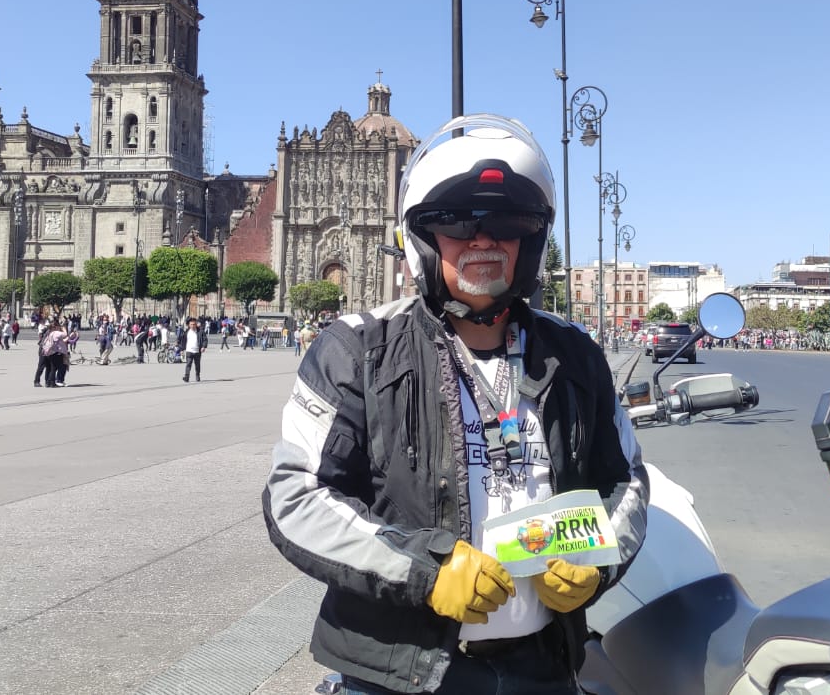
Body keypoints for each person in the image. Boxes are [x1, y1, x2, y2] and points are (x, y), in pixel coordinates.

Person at [263, 115, 648, 695]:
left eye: (508, 223)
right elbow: (296, 499)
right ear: (421, 239)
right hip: (398, 672)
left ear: (532, 240)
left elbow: (628, 483)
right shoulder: (357, 348)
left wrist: (601, 561)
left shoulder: (575, 356)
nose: (484, 240)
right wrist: (424, 569)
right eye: (456, 222)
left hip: (542, 668)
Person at [181, 317, 203, 382]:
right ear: (189, 325)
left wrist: (203, 347)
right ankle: (186, 377)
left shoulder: (200, 332)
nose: (193, 326)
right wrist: (182, 349)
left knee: (197, 365)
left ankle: (197, 376)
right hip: (189, 351)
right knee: (188, 364)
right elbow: (183, 341)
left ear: (196, 324)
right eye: (191, 324)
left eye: (194, 324)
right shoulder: (186, 332)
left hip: (197, 351)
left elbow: (205, 339)